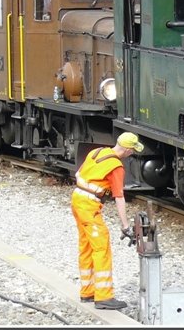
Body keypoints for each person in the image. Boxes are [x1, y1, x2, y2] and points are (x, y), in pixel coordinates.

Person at [71, 132, 144, 309]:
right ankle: (104, 297)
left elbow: (78, 173)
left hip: (77, 200)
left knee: (86, 246)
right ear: (127, 149)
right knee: (101, 248)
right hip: (89, 207)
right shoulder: (116, 167)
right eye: (132, 150)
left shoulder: (97, 152)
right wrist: (126, 225)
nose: (132, 154)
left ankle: (87, 291)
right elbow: (119, 197)